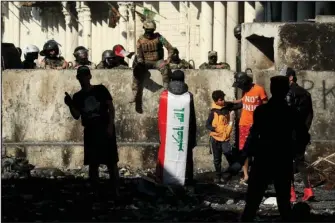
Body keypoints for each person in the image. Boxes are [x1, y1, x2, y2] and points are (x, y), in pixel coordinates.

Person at [240, 76, 310, 222]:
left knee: (252, 202)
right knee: (284, 203)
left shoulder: (261, 111)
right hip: (282, 158)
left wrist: (244, 155)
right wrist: (294, 150)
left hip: (263, 158)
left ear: (271, 89)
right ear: (286, 90)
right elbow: (303, 136)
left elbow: (253, 136)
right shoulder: (291, 113)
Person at [64, 66, 120, 196]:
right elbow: (77, 115)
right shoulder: (78, 96)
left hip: (104, 128)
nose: (83, 78)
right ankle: (96, 192)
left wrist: (110, 126)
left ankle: (115, 190)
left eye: (85, 75)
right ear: (78, 78)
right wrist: (70, 104)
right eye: (80, 76)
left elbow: (111, 108)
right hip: (90, 131)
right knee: (93, 163)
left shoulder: (101, 90)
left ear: (90, 76)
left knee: (111, 162)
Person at [156, 70, 196, 186]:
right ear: (183, 80)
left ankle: (163, 178)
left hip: (167, 134)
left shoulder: (164, 95)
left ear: (171, 80)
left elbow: (160, 117)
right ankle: (187, 180)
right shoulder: (189, 96)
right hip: (185, 134)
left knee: (166, 152)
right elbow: (192, 118)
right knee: (186, 156)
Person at [283, 67, 314, 202]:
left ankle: (291, 194)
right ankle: (308, 190)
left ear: (290, 78)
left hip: (288, 134)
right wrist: (304, 130)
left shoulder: (287, 93)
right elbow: (310, 115)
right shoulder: (306, 94)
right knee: (300, 162)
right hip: (302, 133)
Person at [232, 71, 268, 185]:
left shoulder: (259, 89)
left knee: (257, 151)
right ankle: (246, 175)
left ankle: (256, 175)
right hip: (243, 125)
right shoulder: (245, 90)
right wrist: (230, 103)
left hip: (256, 125)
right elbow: (243, 101)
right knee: (244, 152)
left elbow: (266, 105)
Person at [131, 19, 174, 102]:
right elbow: (139, 53)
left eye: (151, 30)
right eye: (147, 30)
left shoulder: (159, 37)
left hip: (158, 61)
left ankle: (166, 90)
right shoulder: (140, 40)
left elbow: (170, 48)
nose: (149, 33)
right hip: (146, 62)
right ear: (144, 29)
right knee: (136, 71)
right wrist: (140, 62)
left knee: (165, 68)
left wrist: (168, 59)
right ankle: (134, 93)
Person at [206, 90, 236, 183]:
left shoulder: (226, 108)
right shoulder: (213, 112)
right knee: (217, 158)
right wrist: (214, 129)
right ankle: (218, 175)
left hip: (225, 138)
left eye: (223, 99)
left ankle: (232, 172)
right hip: (215, 138)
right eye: (221, 100)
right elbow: (207, 125)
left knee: (228, 153)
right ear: (216, 101)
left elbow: (238, 105)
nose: (223, 101)